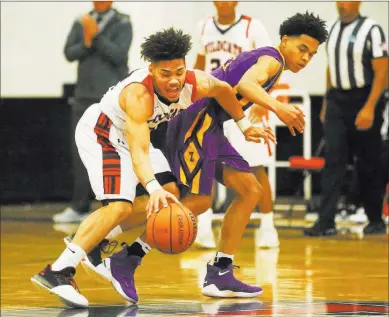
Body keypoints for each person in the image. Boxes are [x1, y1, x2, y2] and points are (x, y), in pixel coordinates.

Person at [70, 11, 327, 303]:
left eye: (312, 54)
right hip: (196, 122)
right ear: (284, 41)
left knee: (250, 190)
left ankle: (220, 271)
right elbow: (245, 85)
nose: (306, 58)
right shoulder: (273, 59)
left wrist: (244, 126)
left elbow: (231, 89)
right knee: (195, 201)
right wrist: (278, 108)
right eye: (302, 49)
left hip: (211, 125)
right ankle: (114, 248)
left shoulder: (271, 61)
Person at [31, 28, 272, 308]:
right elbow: (139, 153)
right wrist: (152, 187)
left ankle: (95, 239)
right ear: (152, 70)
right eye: (165, 74)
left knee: (170, 195)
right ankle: (58, 271)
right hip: (103, 134)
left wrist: (244, 125)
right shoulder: (138, 95)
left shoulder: (196, 82)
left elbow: (224, 90)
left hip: (134, 138)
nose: (173, 80)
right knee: (120, 206)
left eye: (179, 71)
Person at [193, 1, 280, 249]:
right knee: (206, 167)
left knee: (256, 168)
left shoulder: (253, 27)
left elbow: (273, 62)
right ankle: (205, 228)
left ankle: (267, 226)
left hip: (246, 104)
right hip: (213, 105)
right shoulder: (203, 27)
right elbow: (199, 66)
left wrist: (264, 101)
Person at [304, 1, 388, 236]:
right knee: (333, 161)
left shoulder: (372, 29)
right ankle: (326, 221)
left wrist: (370, 107)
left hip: (364, 98)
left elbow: (383, 72)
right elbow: (332, 67)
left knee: (368, 162)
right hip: (337, 102)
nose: (341, 4)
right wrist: (326, 102)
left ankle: (375, 219)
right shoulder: (331, 29)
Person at [53, 1, 133, 223]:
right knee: (80, 150)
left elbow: (119, 55)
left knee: (113, 151)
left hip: (110, 97)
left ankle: (115, 206)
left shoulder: (122, 22)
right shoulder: (83, 21)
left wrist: (95, 37)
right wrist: (88, 42)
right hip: (83, 96)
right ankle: (79, 207)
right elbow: (69, 52)